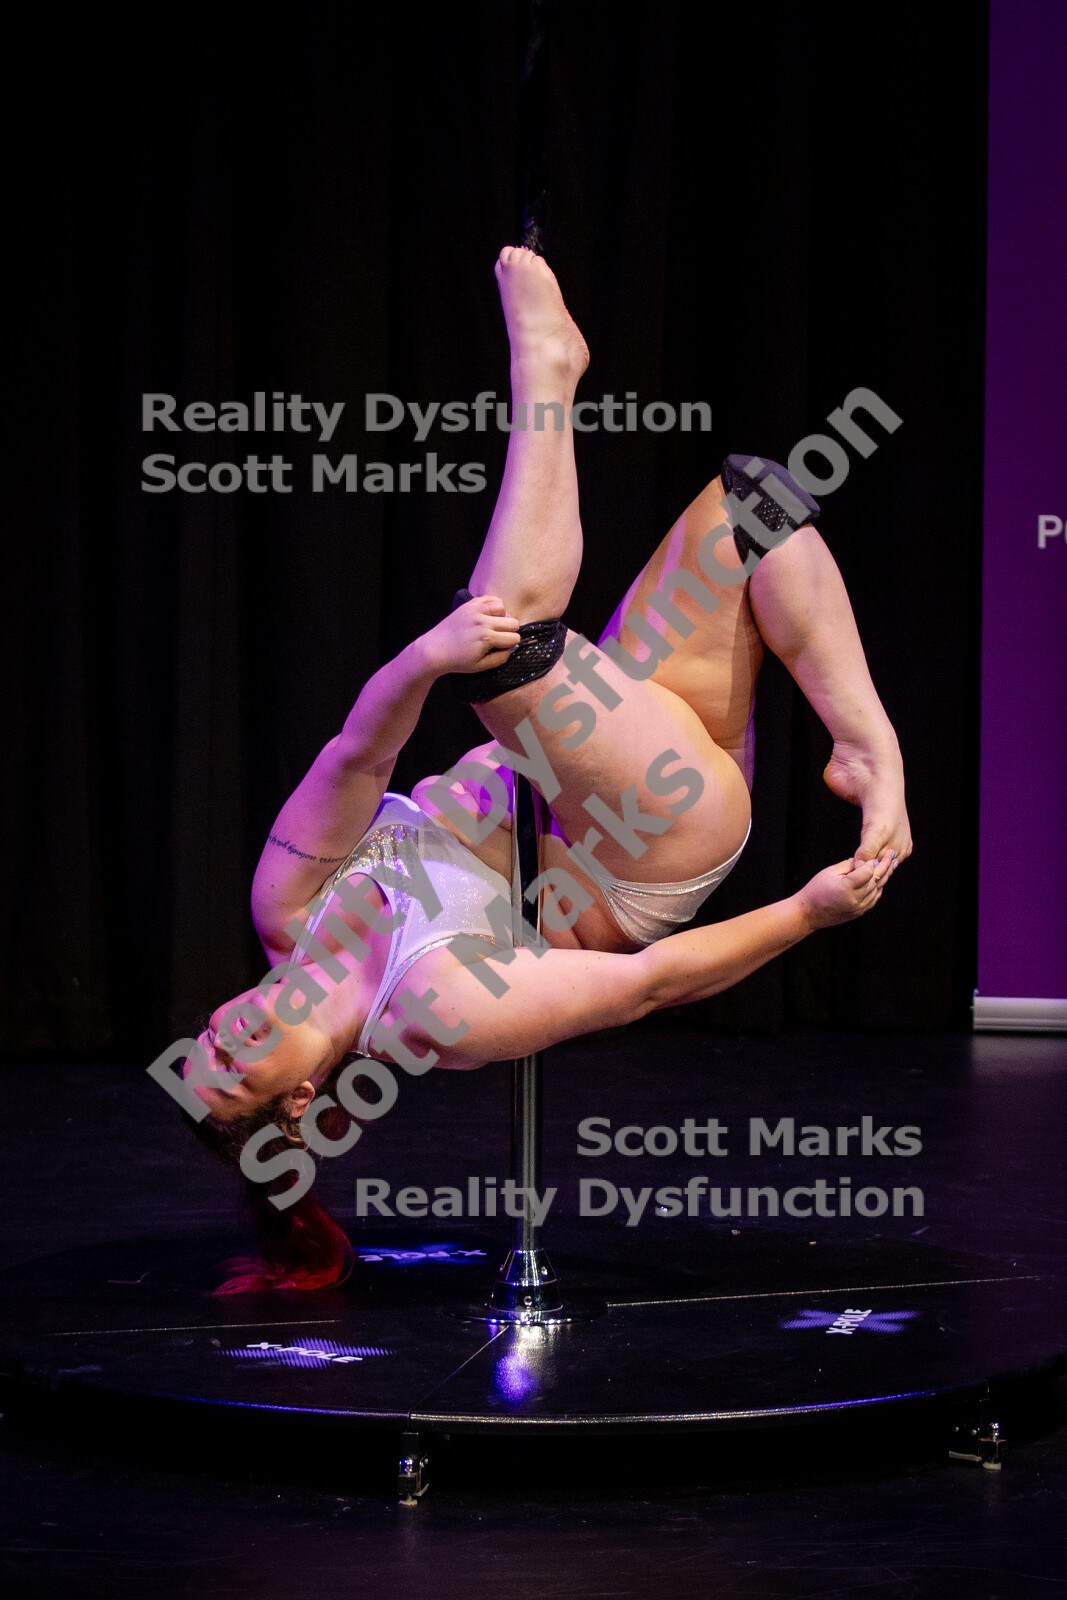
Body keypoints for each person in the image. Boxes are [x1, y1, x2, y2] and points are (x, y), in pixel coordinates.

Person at [185, 247, 911, 1292]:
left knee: (754, 506)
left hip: (598, 755)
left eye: (205, 1037)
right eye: (233, 1065)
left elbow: (358, 754)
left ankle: (866, 748)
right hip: (646, 843)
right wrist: (805, 913)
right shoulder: (428, 1013)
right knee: (508, 646)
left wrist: (422, 660)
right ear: (298, 1101)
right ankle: (546, 369)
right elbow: (646, 984)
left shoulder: (287, 905)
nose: (224, 1030)